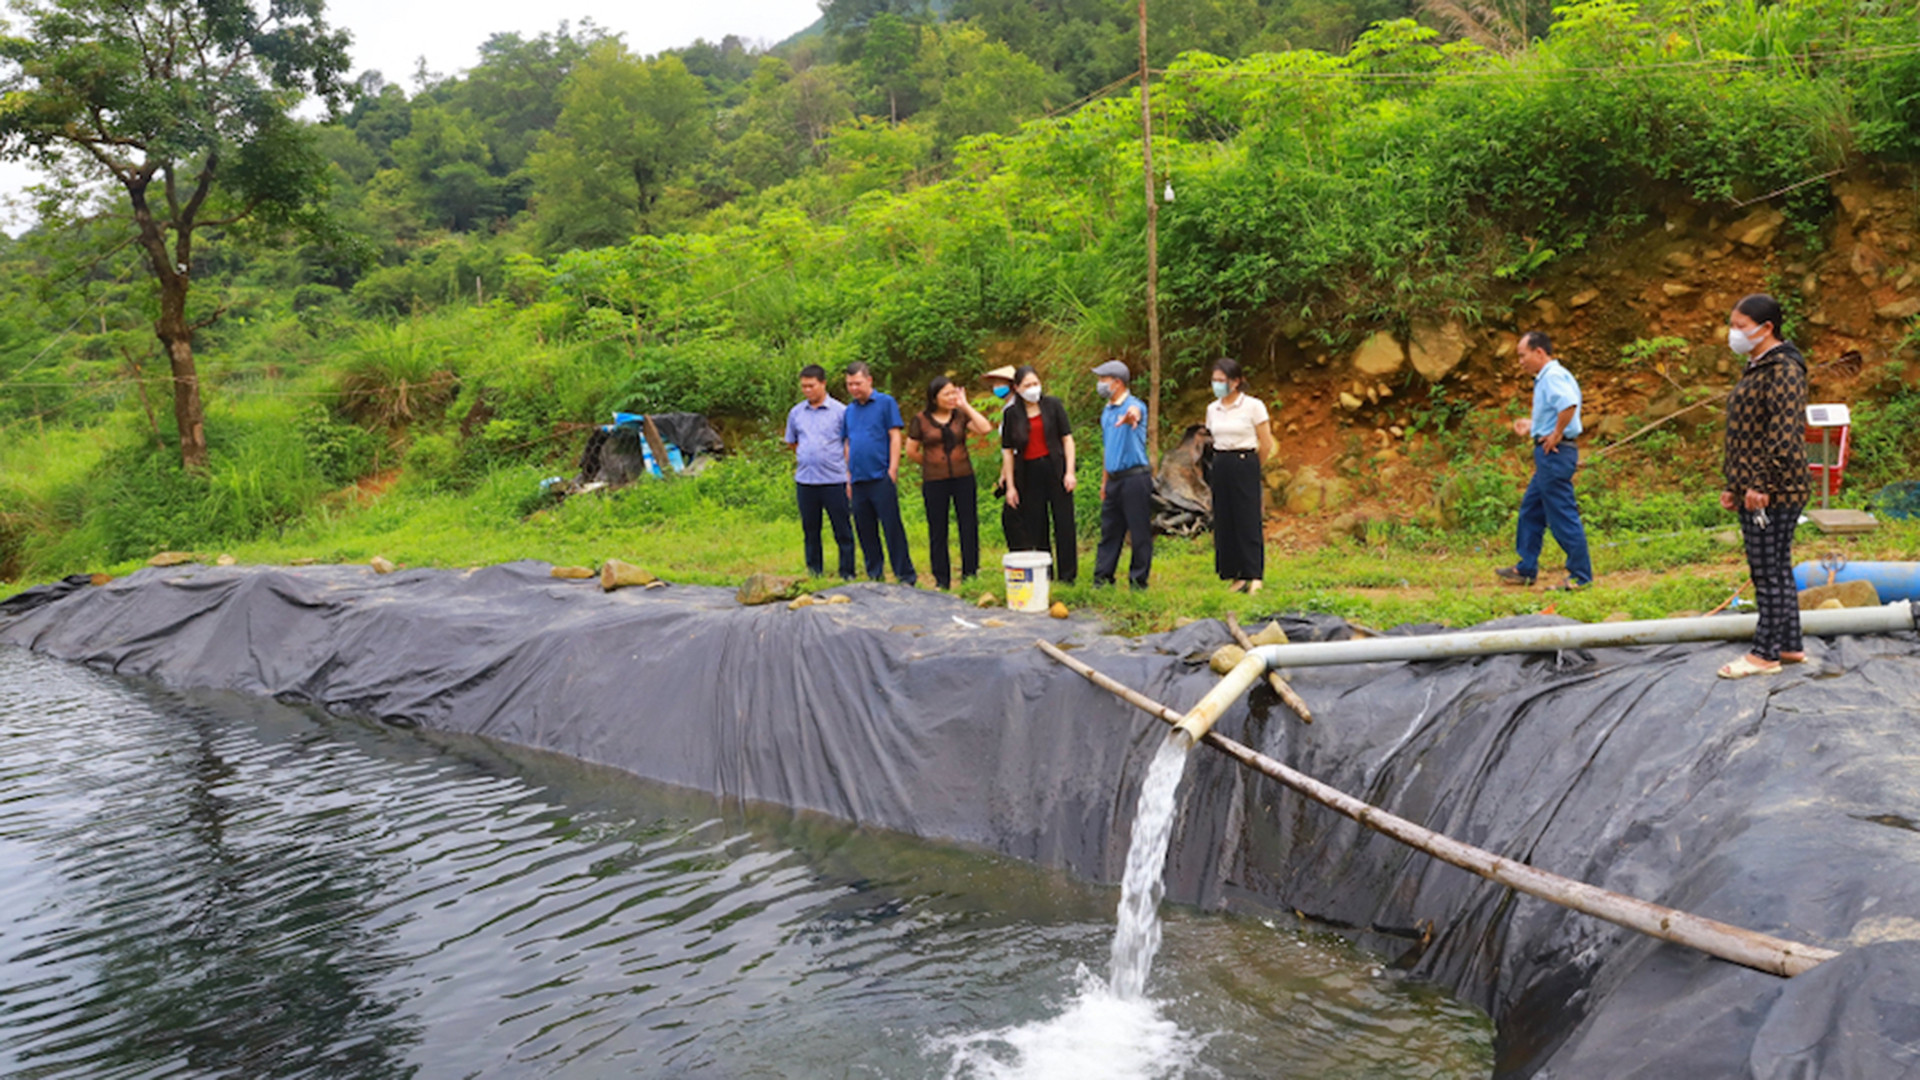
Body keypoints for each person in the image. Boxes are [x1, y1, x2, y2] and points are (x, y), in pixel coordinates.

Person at [1717, 294, 1810, 679]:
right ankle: (1789, 645)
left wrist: (1760, 484)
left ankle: (1764, 654)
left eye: (1740, 325)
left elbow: (1783, 434)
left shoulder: (1784, 368)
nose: (1733, 333)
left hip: (1775, 490)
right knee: (1778, 568)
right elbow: (1747, 434)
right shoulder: (1759, 366)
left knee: (1766, 572)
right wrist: (1734, 485)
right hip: (1755, 488)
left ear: (1766, 327)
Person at [1494, 331, 1594, 591]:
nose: (1520, 361)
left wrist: (1556, 434)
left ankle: (1580, 576)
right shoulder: (1551, 377)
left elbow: (1568, 405)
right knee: (1531, 510)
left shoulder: (1551, 377)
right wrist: (1535, 425)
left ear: (1539, 352)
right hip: (1551, 454)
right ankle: (1525, 567)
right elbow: (1559, 409)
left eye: (1522, 355)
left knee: (1561, 514)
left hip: (1555, 454)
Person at [905, 375, 992, 590]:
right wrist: (931, 463)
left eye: (954, 392)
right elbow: (911, 451)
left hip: (963, 477)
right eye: (947, 394)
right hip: (935, 481)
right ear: (934, 398)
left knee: (969, 526)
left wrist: (966, 405)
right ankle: (941, 579)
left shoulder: (961, 416)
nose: (952, 397)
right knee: (938, 529)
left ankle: (970, 574)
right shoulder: (921, 420)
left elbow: (985, 428)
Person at [840, 362, 918, 586]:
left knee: (892, 526)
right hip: (858, 478)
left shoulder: (885, 403)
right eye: (849, 384)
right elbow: (848, 442)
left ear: (869, 380)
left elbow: (895, 436)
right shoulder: (849, 411)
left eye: (857, 383)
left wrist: (892, 469)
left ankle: (905, 574)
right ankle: (875, 574)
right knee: (865, 530)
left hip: (880, 476)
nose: (854, 388)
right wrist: (848, 476)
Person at [999, 365, 1077, 585]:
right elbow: (1008, 452)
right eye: (1027, 385)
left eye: (1035, 383)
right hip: (1029, 473)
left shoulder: (1053, 405)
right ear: (1017, 388)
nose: (1033, 389)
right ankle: (1046, 571)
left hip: (1055, 468)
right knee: (1037, 524)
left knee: (1064, 522)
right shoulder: (1012, 414)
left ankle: (1067, 575)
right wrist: (1011, 486)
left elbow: (1067, 439)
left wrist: (1070, 471)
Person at [1205, 357, 1274, 594]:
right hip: (1221, 462)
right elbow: (1212, 437)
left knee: (1247, 518)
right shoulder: (1212, 409)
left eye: (1221, 380)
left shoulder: (1253, 406)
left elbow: (1266, 442)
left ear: (1235, 382)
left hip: (1245, 461)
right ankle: (1233, 574)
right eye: (1214, 380)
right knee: (1225, 519)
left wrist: (1254, 467)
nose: (1217, 385)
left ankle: (1254, 574)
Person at [784, 364, 854, 580]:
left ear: (823, 384)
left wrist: (849, 474)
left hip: (835, 479)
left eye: (811, 386)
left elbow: (848, 443)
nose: (807, 390)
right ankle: (815, 572)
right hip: (806, 481)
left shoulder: (841, 412)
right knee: (810, 530)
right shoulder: (796, 413)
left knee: (842, 529)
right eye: (804, 387)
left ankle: (847, 572)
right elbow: (792, 442)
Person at [1091, 360, 1153, 589]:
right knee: (1109, 531)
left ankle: (1138, 581)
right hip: (1114, 479)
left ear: (1117, 383)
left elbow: (1134, 413)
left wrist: (1130, 418)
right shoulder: (1106, 412)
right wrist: (1104, 483)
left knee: (1139, 532)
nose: (1099, 384)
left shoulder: (1135, 405)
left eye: (1102, 380)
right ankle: (1103, 578)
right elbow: (1108, 449)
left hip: (1135, 478)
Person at [981, 365, 1029, 551]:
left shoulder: (1018, 408)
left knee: (1013, 515)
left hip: (1022, 466)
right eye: (994, 383)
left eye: (1000, 383)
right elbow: (1006, 448)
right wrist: (1004, 474)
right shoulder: (1007, 408)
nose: (996, 387)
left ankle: (1023, 554)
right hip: (1013, 466)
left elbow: (1015, 446)